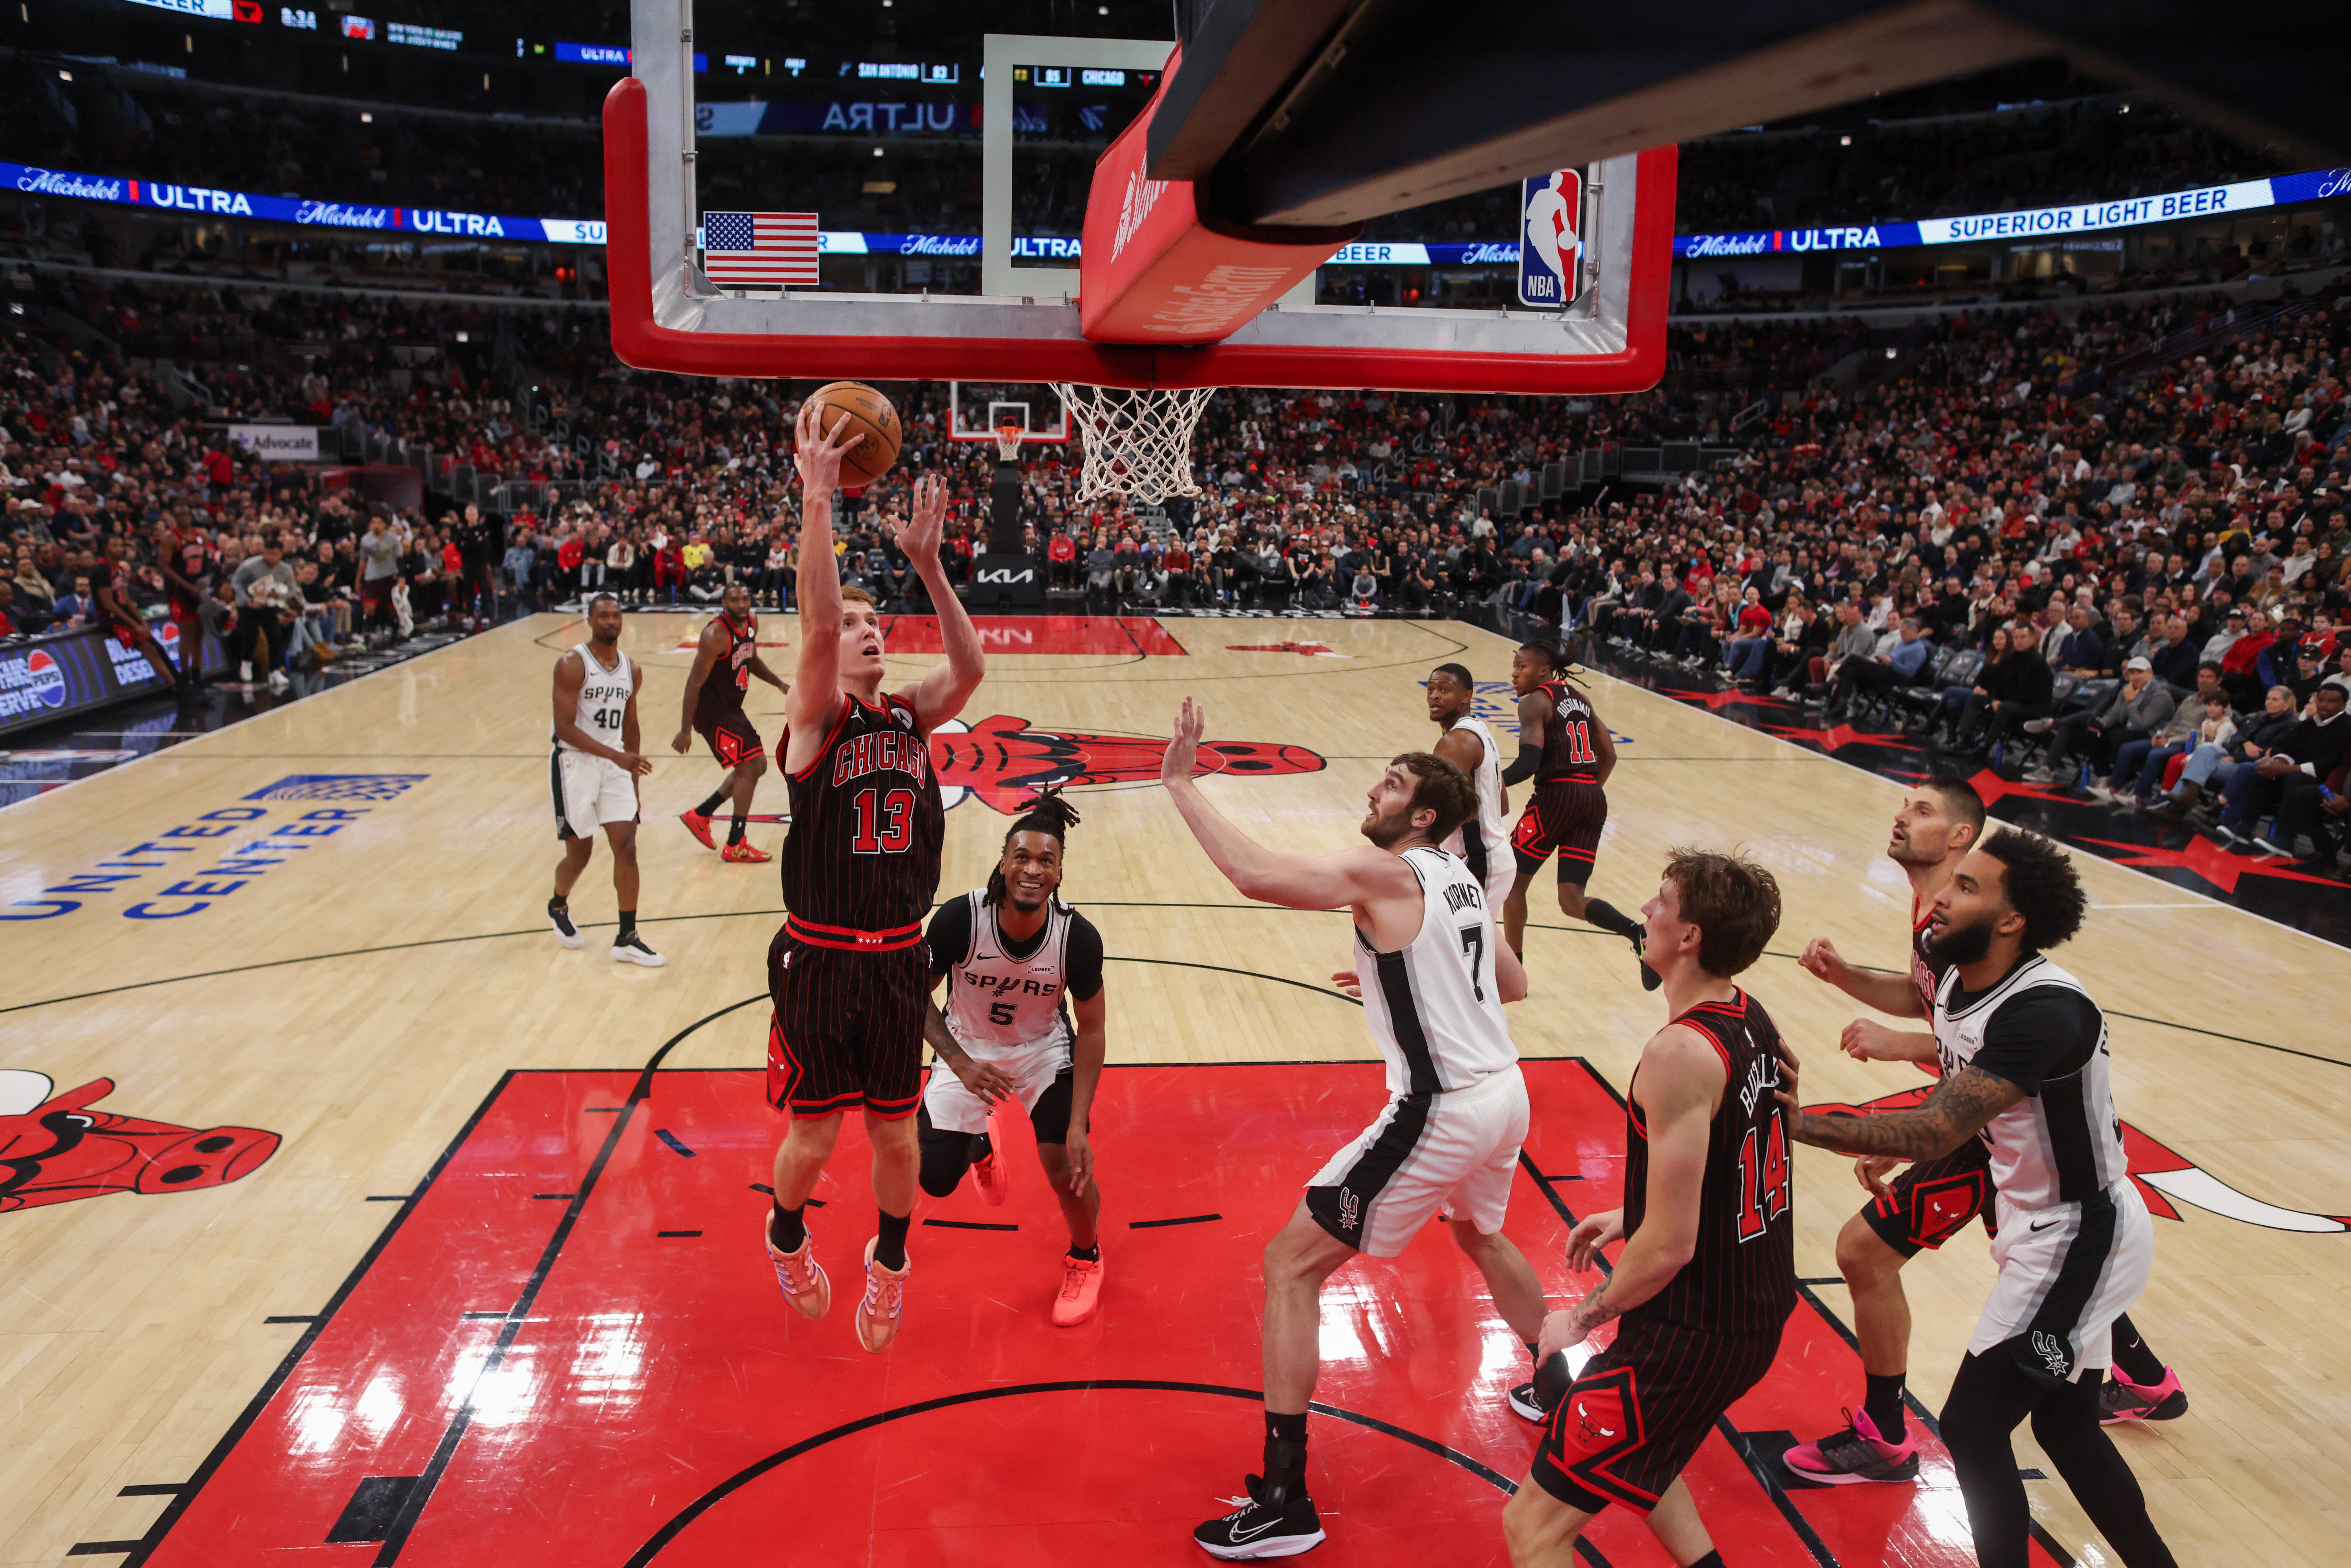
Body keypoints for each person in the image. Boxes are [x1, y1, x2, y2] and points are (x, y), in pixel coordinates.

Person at [1164, 717, 1547, 1559]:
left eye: (1389, 783)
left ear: (1419, 816)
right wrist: (1400, 970)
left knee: (1289, 1265)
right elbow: (1508, 982)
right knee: (1482, 1234)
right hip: (1506, 1092)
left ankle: (1284, 1498)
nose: (1371, 790)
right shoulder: (1459, 874)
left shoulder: (1391, 868)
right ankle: (1555, 1381)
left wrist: (1181, 785)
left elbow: (1252, 875)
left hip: (1441, 1106)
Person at [1780, 830, 2179, 1568]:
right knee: (2065, 1429)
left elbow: (1937, 1130)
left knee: (1970, 1426)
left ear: (2010, 920)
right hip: (2040, 1224)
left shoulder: (2047, 1011)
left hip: (2078, 1234)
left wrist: (1787, 1120)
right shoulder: (1956, 972)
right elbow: (1956, 1082)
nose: (1939, 897)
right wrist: (1889, 1130)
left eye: (1966, 886)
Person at [762, 405, 987, 1356]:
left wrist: (932, 570)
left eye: (871, 623)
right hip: (817, 961)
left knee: (896, 1141)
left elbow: (969, 668)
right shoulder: (814, 720)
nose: (864, 634)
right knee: (814, 1147)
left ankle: (889, 1264)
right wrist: (818, 498)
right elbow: (812, 633)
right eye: (851, 624)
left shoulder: (904, 716)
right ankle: (784, 1236)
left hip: (899, 963)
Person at [1504, 849, 1795, 1568]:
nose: (1645, 911)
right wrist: (1635, 1212)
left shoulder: (1678, 1052)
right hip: (1751, 1308)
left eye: (1660, 900)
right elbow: (1740, 1152)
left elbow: (1670, 1248)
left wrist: (1577, 1318)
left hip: (1692, 1333)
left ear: (1689, 935)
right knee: (1648, 1461)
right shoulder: (1751, 1017)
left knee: (1533, 1528)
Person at [916, 790, 1110, 1327]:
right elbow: (912, 995)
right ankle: (980, 1141)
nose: (1032, 869)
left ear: (1059, 873)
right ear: (1003, 863)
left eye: (1046, 860)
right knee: (933, 1179)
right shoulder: (960, 918)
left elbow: (1091, 1030)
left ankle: (1086, 1258)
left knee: (1065, 1166)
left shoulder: (1077, 937)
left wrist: (1078, 1124)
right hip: (967, 1048)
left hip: (1041, 1050)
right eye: (1022, 857)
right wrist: (960, 1063)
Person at [1498, 640, 1650, 986]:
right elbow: (1608, 755)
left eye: (1521, 666)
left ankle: (1513, 973)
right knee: (1571, 898)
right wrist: (1586, 790)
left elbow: (1527, 764)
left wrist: (1483, 781)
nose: (1514, 672)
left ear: (1542, 671)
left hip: (1556, 796)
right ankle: (1636, 932)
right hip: (1592, 798)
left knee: (1512, 884)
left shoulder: (1534, 701)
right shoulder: (1581, 699)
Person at [546, 594, 664, 967]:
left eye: (616, 615)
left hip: (615, 766)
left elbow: (631, 727)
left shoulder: (632, 669)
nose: (611, 621)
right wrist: (617, 756)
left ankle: (627, 936)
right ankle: (558, 903)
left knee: (626, 845)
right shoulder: (571, 664)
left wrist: (634, 783)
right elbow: (564, 729)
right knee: (580, 854)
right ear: (591, 621)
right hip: (575, 763)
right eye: (604, 616)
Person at [674, 581, 789, 863]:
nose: (741, 604)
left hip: (731, 708)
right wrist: (685, 729)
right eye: (734, 600)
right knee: (750, 767)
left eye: (745, 599)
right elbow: (693, 683)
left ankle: (700, 815)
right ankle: (736, 844)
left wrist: (779, 683)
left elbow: (751, 660)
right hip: (711, 711)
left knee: (757, 765)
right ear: (724, 603)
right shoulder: (715, 634)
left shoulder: (752, 622)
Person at [1426, 661, 1513, 907]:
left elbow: (1439, 810)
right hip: (1485, 857)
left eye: (1445, 690)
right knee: (1477, 941)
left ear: (1467, 697)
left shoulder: (1458, 741)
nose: (1435, 696)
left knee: (1468, 942)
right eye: (1431, 689)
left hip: (1479, 859)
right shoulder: (1478, 730)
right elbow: (1502, 806)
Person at [89, 535, 182, 697]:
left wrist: (142, 622)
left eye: (121, 545)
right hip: (111, 617)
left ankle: (180, 682)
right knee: (149, 649)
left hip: (124, 614)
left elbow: (127, 599)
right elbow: (109, 604)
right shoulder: (101, 570)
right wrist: (136, 625)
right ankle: (176, 688)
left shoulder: (117, 568)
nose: (120, 548)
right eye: (115, 545)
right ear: (105, 548)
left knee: (158, 646)